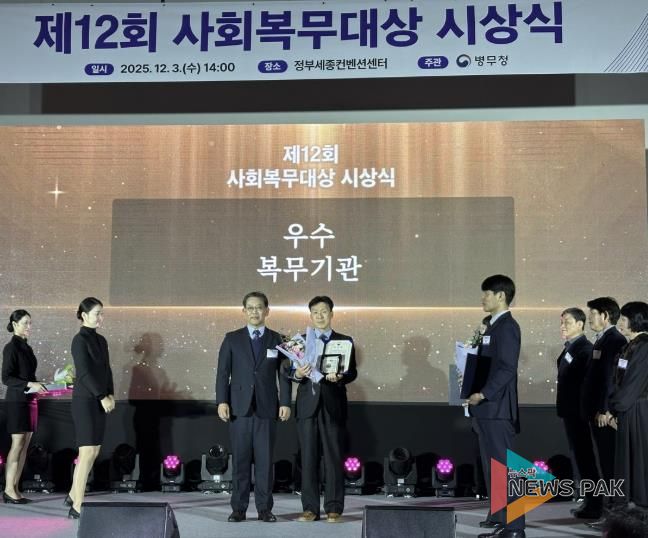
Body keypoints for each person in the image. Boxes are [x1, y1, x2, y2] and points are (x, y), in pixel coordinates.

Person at [215, 291, 291, 523]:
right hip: (239, 408)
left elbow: (284, 374)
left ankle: (264, 509)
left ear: (267, 311)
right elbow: (223, 373)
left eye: (259, 307)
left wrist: (285, 402)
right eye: (250, 308)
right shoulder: (232, 338)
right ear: (244, 311)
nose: (255, 312)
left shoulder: (278, 339)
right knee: (240, 461)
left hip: (267, 408)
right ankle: (238, 508)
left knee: (265, 463)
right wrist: (222, 401)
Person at [288, 296, 357, 523]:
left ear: (332, 314)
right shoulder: (299, 341)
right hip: (307, 406)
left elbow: (352, 372)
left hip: (332, 405)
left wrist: (340, 377)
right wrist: (298, 373)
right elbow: (290, 372)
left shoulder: (344, 341)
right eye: (315, 312)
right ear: (310, 315)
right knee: (308, 459)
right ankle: (310, 509)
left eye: (324, 311)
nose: (319, 316)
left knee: (333, 458)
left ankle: (334, 508)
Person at [468, 275, 525, 538]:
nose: (483, 298)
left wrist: (483, 393)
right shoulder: (492, 326)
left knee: (507, 469)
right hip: (486, 409)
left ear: (501, 296)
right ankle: (502, 519)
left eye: (487, 293)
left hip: (497, 408)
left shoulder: (507, 327)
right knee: (495, 468)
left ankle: (515, 528)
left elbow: (507, 368)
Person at [66, 297, 115, 519]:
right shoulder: (79, 340)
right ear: (84, 315)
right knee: (85, 453)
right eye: (97, 313)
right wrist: (101, 396)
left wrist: (111, 394)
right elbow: (84, 373)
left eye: (102, 313)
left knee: (94, 451)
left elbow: (106, 370)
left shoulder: (101, 340)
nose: (100, 317)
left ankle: (72, 494)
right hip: (85, 401)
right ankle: (77, 505)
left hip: (100, 400)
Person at [581, 297, 626, 526]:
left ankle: (613, 515)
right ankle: (609, 513)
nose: (589, 319)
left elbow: (611, 379)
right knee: (605, 465)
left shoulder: (614, 340)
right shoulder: (603, 339)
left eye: (592, 314)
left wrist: (604, 409)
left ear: (605, 315)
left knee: (610, 467)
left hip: (604, 416)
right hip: (596, 413)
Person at [555, 308, 600, 519]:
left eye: (567, 322)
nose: (562, 326)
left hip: (579, 414)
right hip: (571, 412)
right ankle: (590, 501)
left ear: (580, 324)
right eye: (562, 322)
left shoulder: (585, 349)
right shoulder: (572, 347)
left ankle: (595, 503)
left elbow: (586, 385)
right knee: (581, 457)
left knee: (586, 458)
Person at [2, 310, 48, 504]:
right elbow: (6, 378)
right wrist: (30, 384)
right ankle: (8, 489)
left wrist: (41, 386)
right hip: (17, 402)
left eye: (30, 323)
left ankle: (15, 488)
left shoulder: (26, 347)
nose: (29, 326)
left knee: (24, 446)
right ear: (14, 324)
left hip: (30, 401)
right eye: (25, 323)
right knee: (17, 444)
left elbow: (28, 376)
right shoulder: (11, 347)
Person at [607, 301, 648, 509]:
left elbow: (633, 383)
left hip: (638, 411)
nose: (620, 323)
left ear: (636, 321)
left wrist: (615, 408)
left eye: (624, 319)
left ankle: (638, 509)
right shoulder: (629, 346)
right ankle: (625, 508)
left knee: (638, 461)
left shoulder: (644, 346)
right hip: (628, 409)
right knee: (626, 461)